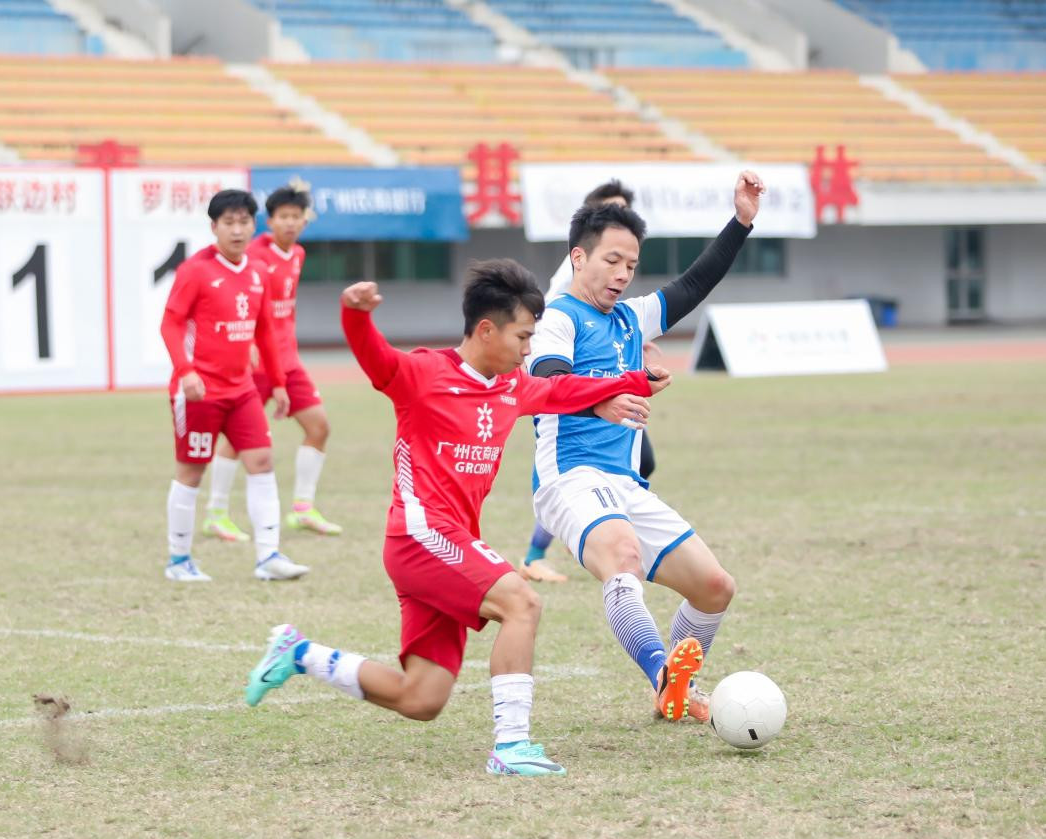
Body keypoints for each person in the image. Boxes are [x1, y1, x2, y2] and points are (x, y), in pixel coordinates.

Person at [245, 261, 671, 776]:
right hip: (421, 538)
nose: (528, 349)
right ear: (486, 330)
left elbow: (565, 392)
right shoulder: (424, 374)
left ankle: (300, 654)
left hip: (447, 547)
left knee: (421, 698)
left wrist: (638, 381)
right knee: (523, 602)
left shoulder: (512, 386)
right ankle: (511, 747)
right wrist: (354, 316)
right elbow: (376, 359)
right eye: (523, 336)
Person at [527, 171, 765, 722]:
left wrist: (742, 223)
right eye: (611, 260)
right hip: (571, 479)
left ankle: (674, 690)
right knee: (624, 560)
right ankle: (664, 677)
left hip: (626, 484)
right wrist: (607, 399)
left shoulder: (632, 318)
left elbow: (694, 284)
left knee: (715, 588)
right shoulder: (557, 317)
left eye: (631, 265)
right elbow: (547, 384)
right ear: (578, 258)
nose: (622, 274)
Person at [159, 188, 308, 583]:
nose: (238, 231)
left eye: (244, 222)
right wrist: (186, 371)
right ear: (214, 227)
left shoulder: (258, 273)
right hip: (199, 391)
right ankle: (178, 561)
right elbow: (170, 323)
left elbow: (266, 331)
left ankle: (269, 556)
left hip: (242, 389)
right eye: (229, 223)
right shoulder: (195, 271)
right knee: (192, 471)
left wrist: (277, 383)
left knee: (262, 462)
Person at [524, 179, 650, 583]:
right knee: (567, 472)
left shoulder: (612, 283)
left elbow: (606, 325)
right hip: (566, 382)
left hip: (599, 383)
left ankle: (569, 536)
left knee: (641, 461)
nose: (622, 271)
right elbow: (553, 356)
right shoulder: (569, 287)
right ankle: (542, 549)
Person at [202, 185, 343, 540]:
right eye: (284, 217)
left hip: (287, 362)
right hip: (255, 364)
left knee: (319, 426)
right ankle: (216, 513)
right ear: (271, 220)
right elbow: (241, 301)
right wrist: (247, 343)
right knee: (236, 439)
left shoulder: (298, 254)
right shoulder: (255, 255)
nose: (291, 223)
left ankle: (302, 508)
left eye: (297, 217)